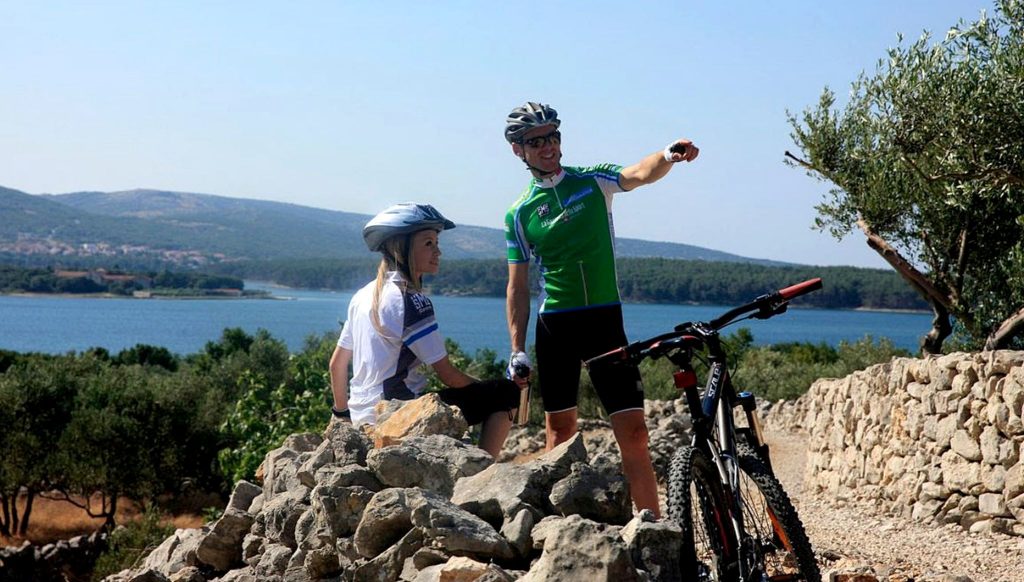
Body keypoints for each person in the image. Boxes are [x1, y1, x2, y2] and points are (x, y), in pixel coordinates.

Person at [502, 101, 699, 517]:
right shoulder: (518, 214)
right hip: (554, 325)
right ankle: (558, 531)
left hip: (604, 320)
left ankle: (654, 529)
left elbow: (639, 173)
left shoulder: (591, 182)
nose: (549, 146)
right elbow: (517, 287)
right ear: (519, 150)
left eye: (553, 135)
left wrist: (667, 155)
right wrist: (517, 349)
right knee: (560, 435)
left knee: (635, 433)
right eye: (536, 141)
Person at [329, 203, 521, 458]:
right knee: (505, 392)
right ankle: (481, 471)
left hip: (361, 418)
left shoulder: (361, 296)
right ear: (402, 247)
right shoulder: (411, 301)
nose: (438, 251)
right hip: (397, 416)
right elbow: (448, 376)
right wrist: (487, 388)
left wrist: (342, 416)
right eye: (428, 243)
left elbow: (336, 365)